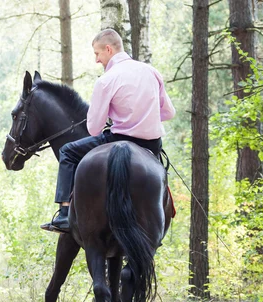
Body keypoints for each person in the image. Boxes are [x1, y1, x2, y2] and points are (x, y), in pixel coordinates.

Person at [41, 29, 176, 232]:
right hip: (151, 144)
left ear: (108, 49)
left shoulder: (107, 79)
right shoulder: (151, 71)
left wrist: (117, 117)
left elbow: (94, 128)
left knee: (67, 152)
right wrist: (143, 117)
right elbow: (168, 113)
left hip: (118, 140)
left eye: (97, 54)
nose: (97, 60)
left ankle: (64, 214)